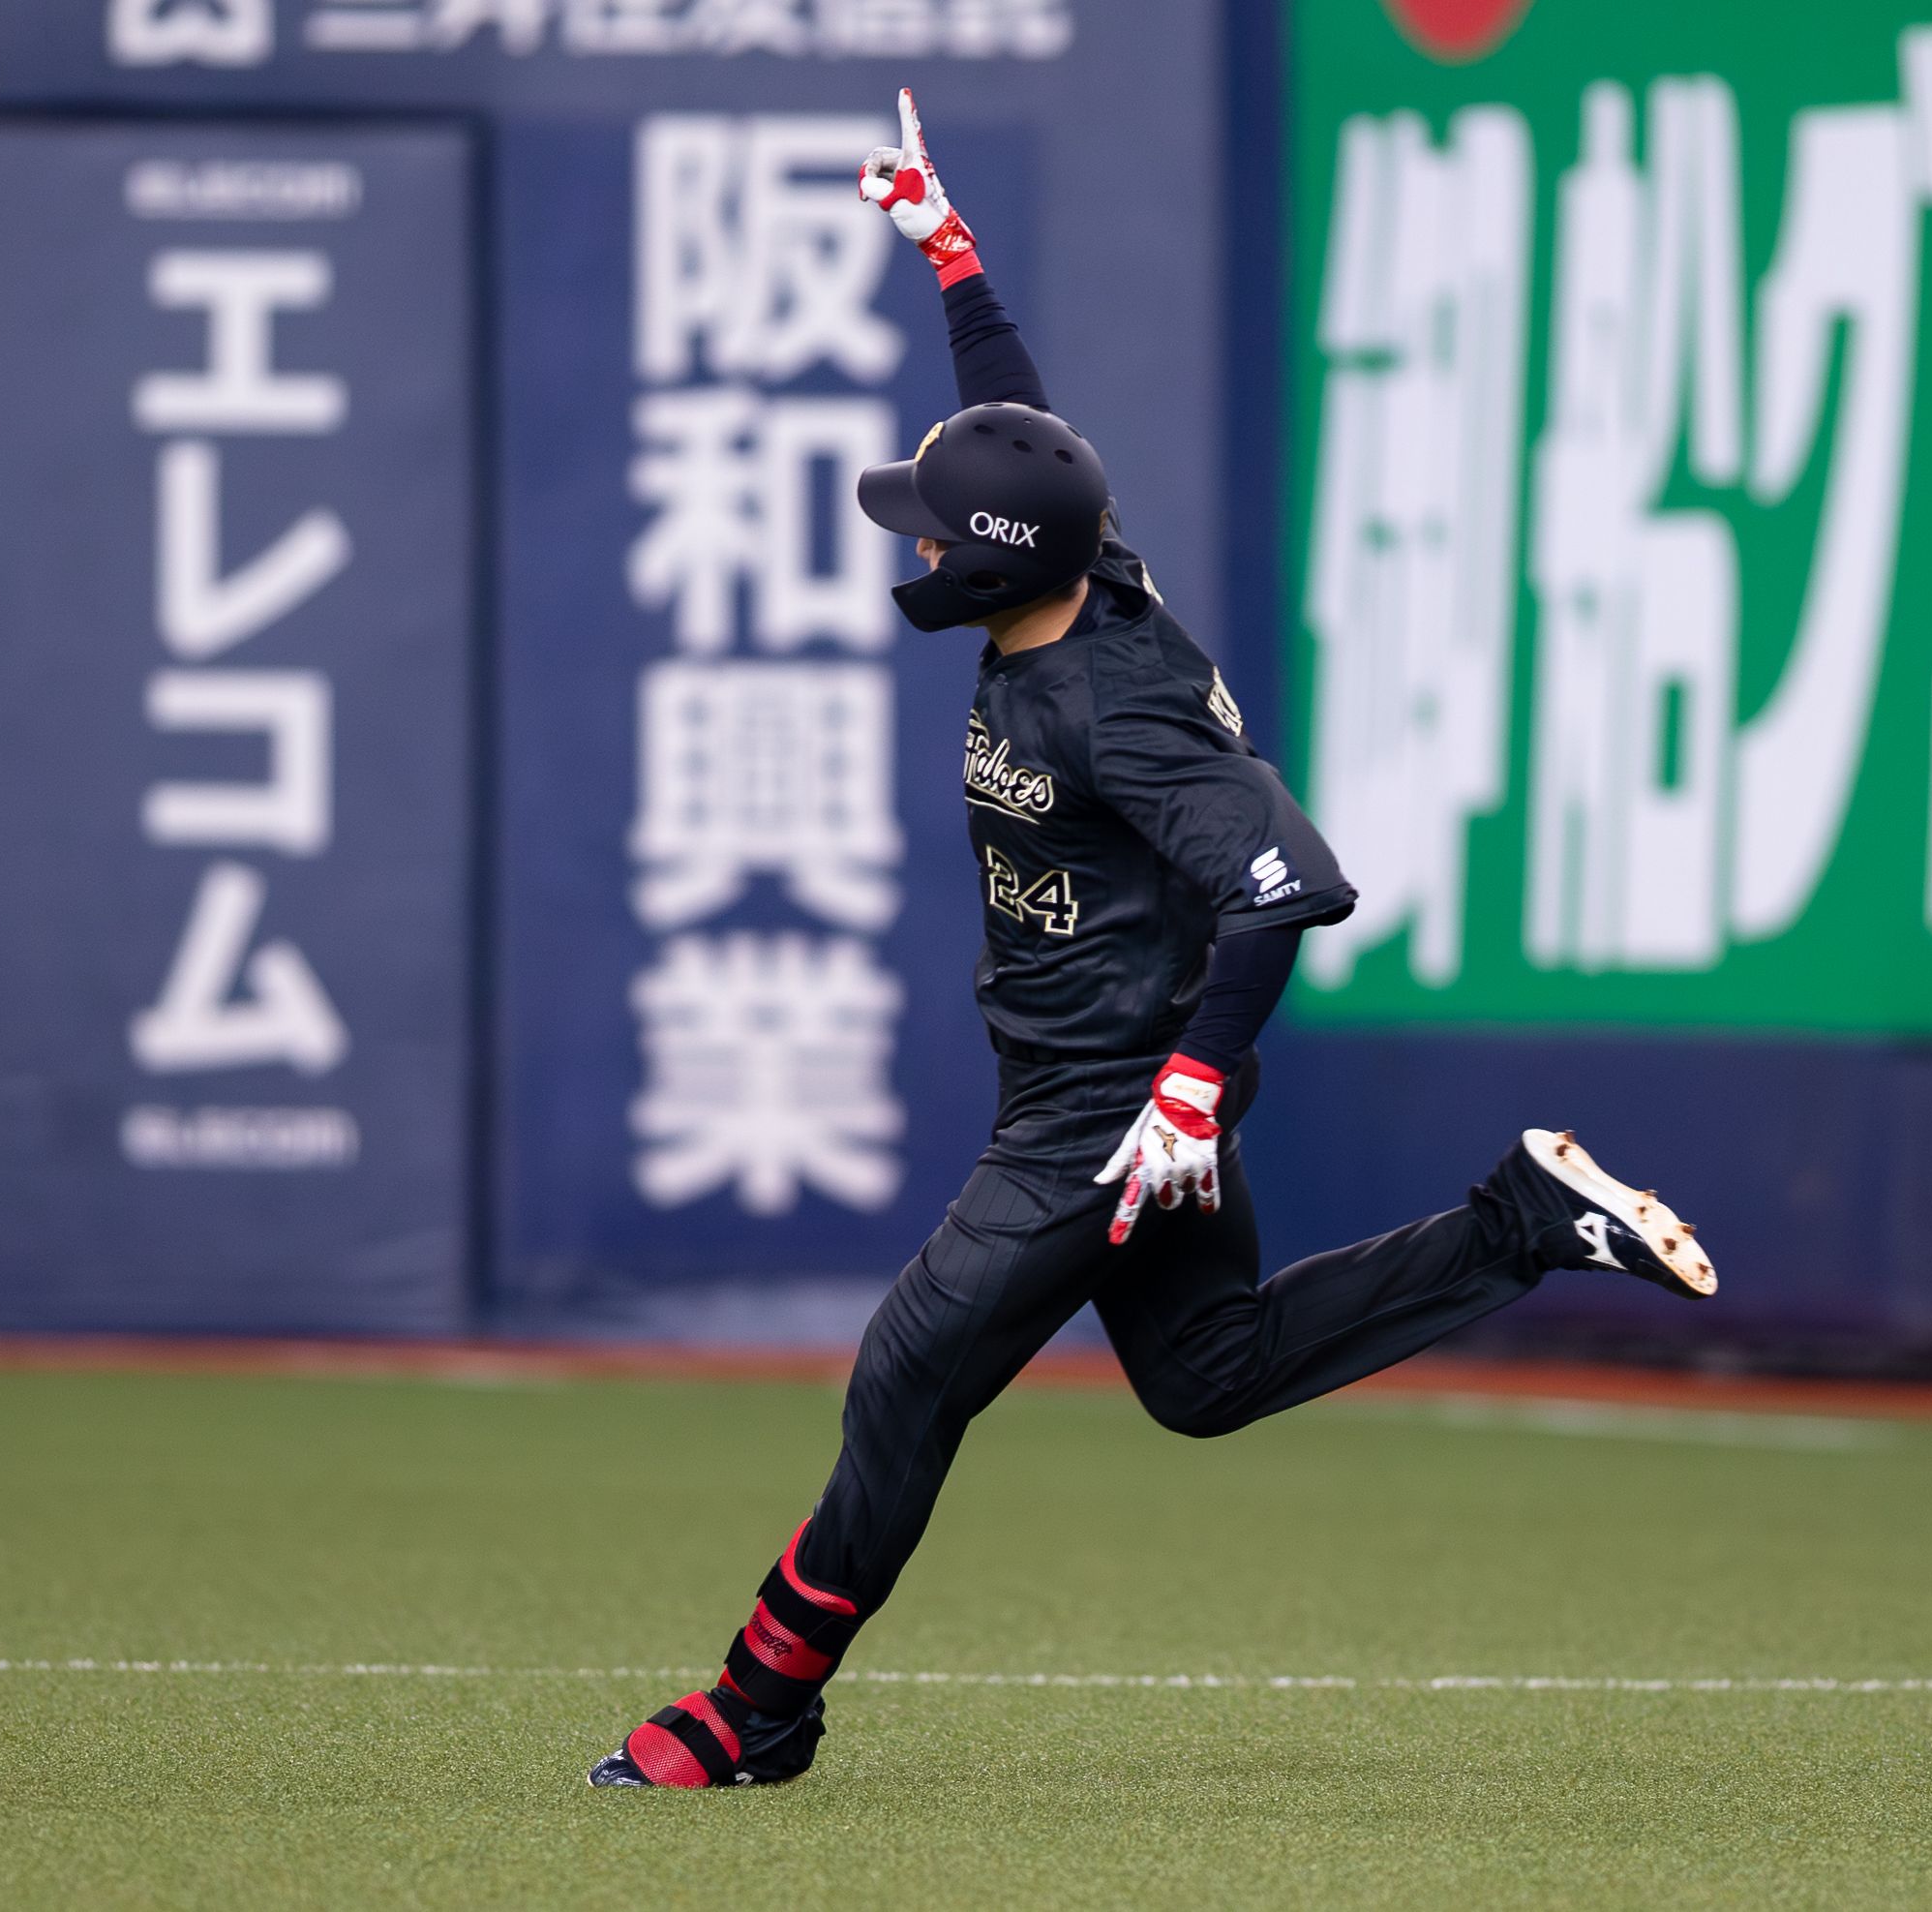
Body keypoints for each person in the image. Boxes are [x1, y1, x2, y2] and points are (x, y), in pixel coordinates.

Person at [589, 89, 1715, 1791]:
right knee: (1204, 1371)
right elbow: (1020, 434)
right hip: (1112, 1081)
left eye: (929, 529)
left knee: (906, 1379)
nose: (916, 535)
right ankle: (1520, 1221)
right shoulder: (1082, 567)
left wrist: (1184, 1097)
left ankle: (753, 1713)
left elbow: (1287, 882)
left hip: (1100, 1110)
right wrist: (951, 255)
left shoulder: (1111, 703)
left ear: (987, 570)